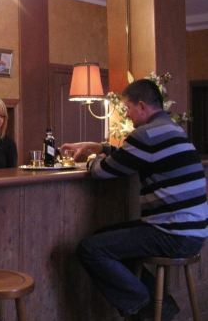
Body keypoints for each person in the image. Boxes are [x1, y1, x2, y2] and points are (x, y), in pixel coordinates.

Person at [61, 79, 208, 320]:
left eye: (127, 108)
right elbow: (132, 156)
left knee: (90, 249)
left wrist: (90, 159)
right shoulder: (172, 129)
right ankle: (160, 305)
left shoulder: (146, 134)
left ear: (141, 106)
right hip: (192, 231)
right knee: (104, 238)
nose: (127, 115)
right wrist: (100, 147)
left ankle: (144, 306)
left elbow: (102, 171)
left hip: (173, 233)